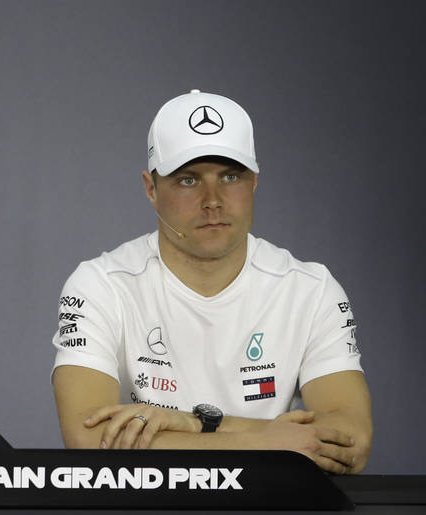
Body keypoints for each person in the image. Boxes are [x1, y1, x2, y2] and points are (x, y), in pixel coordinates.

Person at [51, 90, 372, 473]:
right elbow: (89, 441)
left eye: (230, 177)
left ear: (254, 182)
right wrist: (265, 442)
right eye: (188, 180)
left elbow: (351, 442)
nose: (213, 200)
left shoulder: (311, 289)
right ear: (151, 189)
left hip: (275, 510)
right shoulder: (101, 284)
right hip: (148, 509)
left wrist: (196, 423)